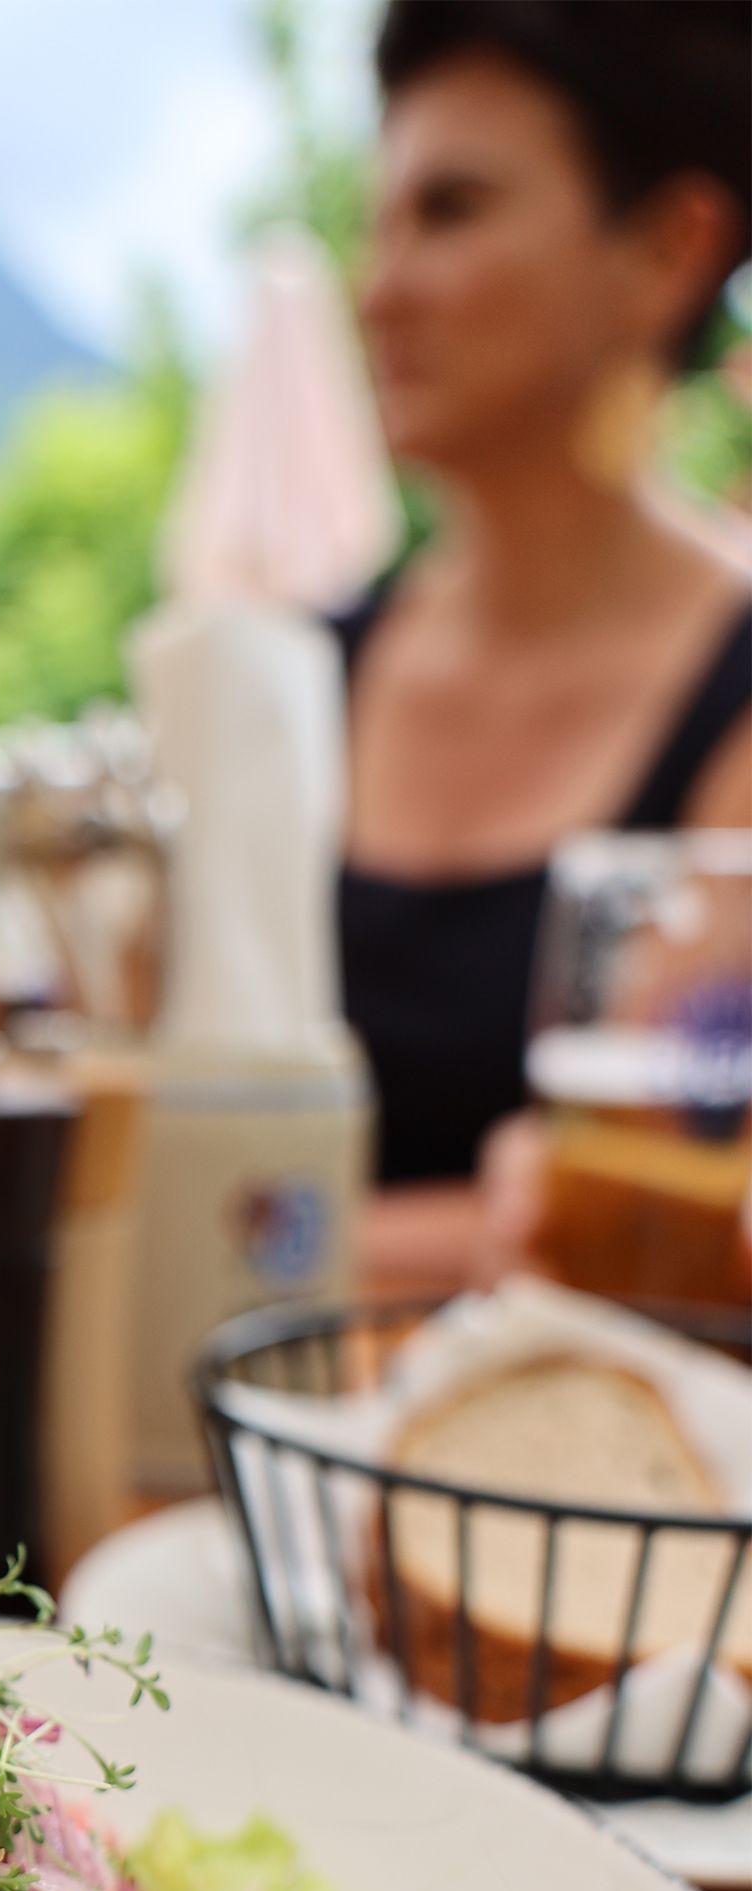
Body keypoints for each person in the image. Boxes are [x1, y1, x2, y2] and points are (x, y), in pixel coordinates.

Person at [341, 0, 751, 1186]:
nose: (378, 290)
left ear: (667, 249)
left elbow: (654, 1200)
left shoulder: (732, 695)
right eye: (379, 224)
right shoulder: (301, 672)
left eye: (450, 211)